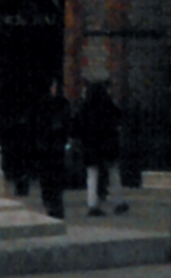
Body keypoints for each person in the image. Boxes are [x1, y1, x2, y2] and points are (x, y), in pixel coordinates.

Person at [77, 80, 128, 217]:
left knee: (92, 175)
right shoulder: (108, 105)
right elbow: (119, 118)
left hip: (90, 146)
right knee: (114, 174)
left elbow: (77, 126)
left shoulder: (85, 107)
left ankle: (92, 204)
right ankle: (118, 202)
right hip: (108, 145)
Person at [34, 78, 71, 219]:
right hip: (55, 147)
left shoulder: (42, 105)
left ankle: (51, 203)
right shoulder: (59, 104)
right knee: (54, 178)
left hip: (47, 147)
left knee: (48, 179)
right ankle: (55, 204)